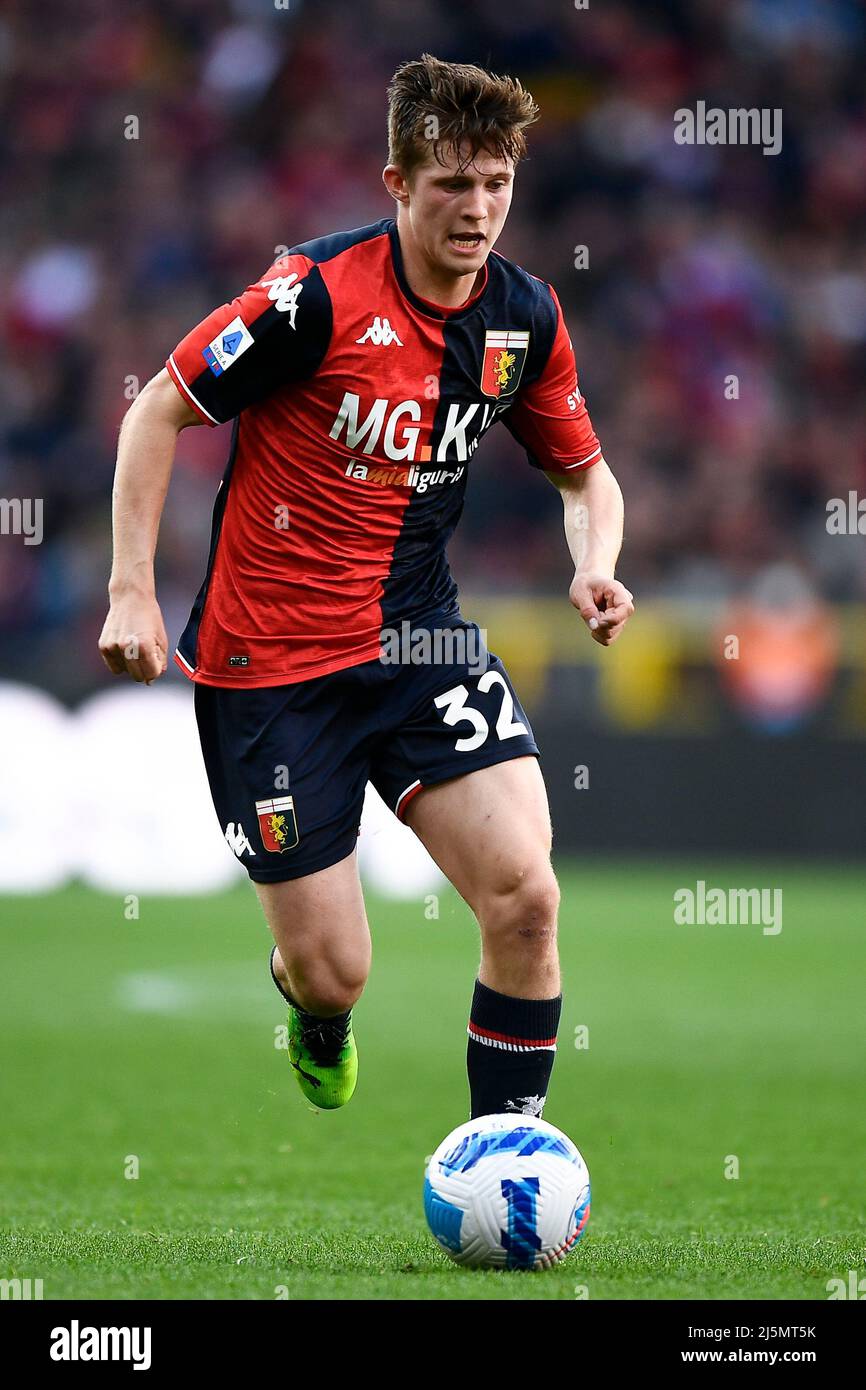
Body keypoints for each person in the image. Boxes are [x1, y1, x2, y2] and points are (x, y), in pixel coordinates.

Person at [98, 53, 634, 1120]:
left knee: (525, 895)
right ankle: (314, 1008)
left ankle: (504, 1153)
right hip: (270, 670)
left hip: (417, 643)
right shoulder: (309, 296)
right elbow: (156, 409)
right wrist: (130, 589)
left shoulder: (522, 319)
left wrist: (594, 560)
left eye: (494, 184)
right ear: (396, 183)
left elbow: (585, 474)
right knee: (334, 968)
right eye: (449, 185)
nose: (475, 210)